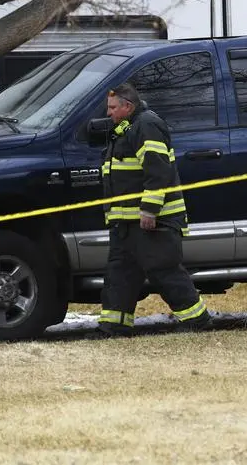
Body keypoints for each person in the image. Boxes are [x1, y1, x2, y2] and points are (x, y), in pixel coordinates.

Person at [97, 82, 212, 336]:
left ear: (128, 106)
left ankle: (197, 320)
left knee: (164, 270)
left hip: (152, 220)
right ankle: (113, 326)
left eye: (113, 108)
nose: (109, 113)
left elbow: (158, 171)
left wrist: (149, 210)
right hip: (125, 221)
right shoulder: (127, 127)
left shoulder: (147, 125)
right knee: (120, 274)